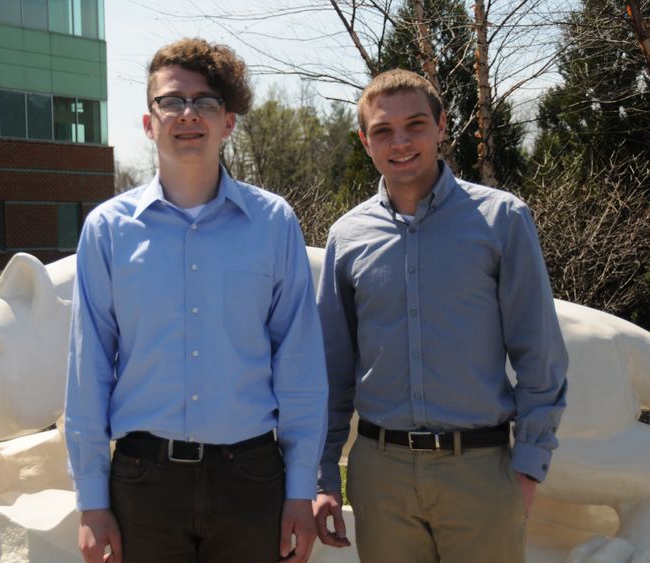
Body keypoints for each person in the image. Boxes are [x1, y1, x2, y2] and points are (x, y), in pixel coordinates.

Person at [65, 37, 328, 563]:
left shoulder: (274, 223)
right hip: (143, 483)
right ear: (148, 122)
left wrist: (301, 489)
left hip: (251, 481)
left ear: (228, 122)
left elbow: (299, 365)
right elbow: (87, 370)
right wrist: (92, 502)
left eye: (205, 101)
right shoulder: (106, 230)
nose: (188, 114)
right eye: (171, 101)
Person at [313, 69, 568, 562]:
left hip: (480, 472)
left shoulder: (502, 220)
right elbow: (331, 371)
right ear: (365, 141)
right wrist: (324, 474)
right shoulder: (347, 237)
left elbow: (539, 353)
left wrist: (529, 466)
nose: (401, 142)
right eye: (383, 131)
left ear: (442, 125)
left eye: (415, 125)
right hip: (380, 477)